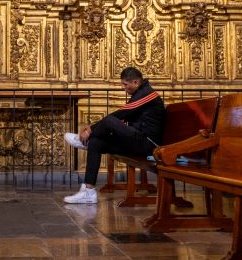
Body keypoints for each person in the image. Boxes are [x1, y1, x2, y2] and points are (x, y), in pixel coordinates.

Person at [62, 66, 165, 204]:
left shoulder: (148, 94)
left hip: (148, 145)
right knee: (96, 143)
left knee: (110, 120)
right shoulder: (140, 93)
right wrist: (93, 131)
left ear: (136, 82)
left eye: (125, 84)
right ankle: (88, 191)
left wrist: (90, 129)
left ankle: (83, 139)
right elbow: (125, 115)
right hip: (136, 142)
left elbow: (123, 112)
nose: (123, 88)